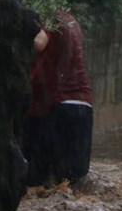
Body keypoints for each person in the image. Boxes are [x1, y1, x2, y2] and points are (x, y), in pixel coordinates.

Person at [24, 11, 94, 186]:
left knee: (41, 183)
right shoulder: (71, 21)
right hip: (84, 106)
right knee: (73, 183)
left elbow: (39, 43)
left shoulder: (49, 19)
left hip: (57, 108)